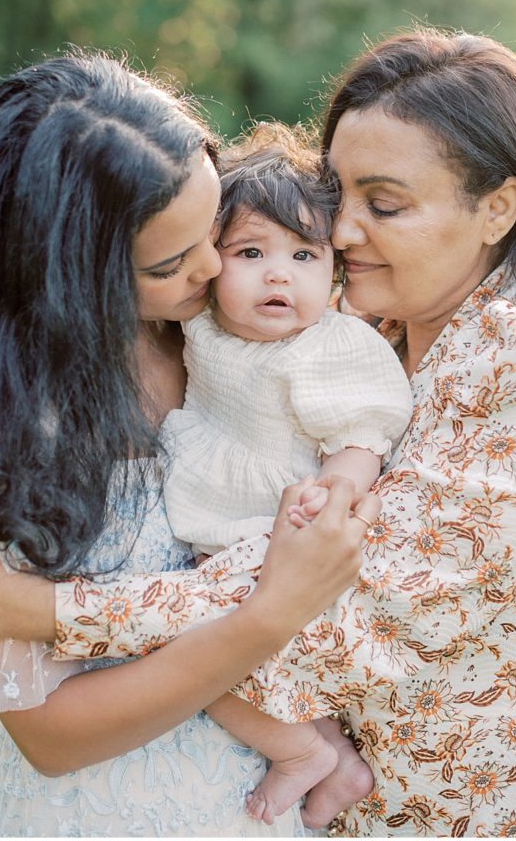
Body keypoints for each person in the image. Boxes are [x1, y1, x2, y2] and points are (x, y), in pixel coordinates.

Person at [0, 28, 516, 837]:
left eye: (381, 205)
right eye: (336, 196)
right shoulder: (296, 336)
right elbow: (58, 731)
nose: (336, 236)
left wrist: (43, 608)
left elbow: (336, 590)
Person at [0, 50, 380, 838]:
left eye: (215, 231)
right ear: (71, 278)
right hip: (111, 812)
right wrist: (266, 619)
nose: (210, 270)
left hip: (276, 811)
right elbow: (54, 736)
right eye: (169, 263)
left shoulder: (230, 334)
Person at [160, 122, 413, 826]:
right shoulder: (199, 321)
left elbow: (364, 431)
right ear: (210, 264)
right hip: (217, 532)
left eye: (304, 254)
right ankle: (334, 756)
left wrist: (337, 490)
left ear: (333, 270)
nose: (279, 274)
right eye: (250, 252)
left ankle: (301, 752)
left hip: (275, 539)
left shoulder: (328, 345)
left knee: (194, 665)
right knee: (253, 667)